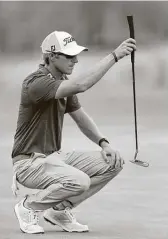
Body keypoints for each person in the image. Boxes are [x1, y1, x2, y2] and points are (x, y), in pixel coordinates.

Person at [11, 30, 136, 234]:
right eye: (69, 56)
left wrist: (104, 143)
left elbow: (80, 117)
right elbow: (81, 85)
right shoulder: (37, 82)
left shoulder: (61, 81)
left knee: (113, 162)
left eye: (75, 55)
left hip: (54, 159)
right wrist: (115, 56)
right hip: (28, 163)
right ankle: (28, 207)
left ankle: (59, 210)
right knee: (79, 181)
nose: (75, 60)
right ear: (52, 56)